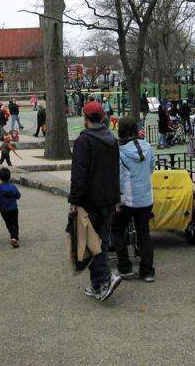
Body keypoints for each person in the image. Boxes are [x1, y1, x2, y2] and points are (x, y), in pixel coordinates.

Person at [69, 101, 122, 302]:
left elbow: (79, 174)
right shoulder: (111, 139)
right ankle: (97, 284)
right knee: (102, 240)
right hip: (109, 198)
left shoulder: (84, 141)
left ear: (85, 118)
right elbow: (115, 170)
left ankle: (105, 278)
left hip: (91, 200)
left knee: (91, 243)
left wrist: (74, 200)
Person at [112, 116, 156, 282]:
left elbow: (117, 175)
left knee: (117, 229)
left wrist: (118, 198)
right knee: (144, 233)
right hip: (145, 197)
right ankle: (147, 271)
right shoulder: (147, 146)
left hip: (127, 199)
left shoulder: (120, 151)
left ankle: (125, 267)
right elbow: (151, 167)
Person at [0, 167, 21, 247]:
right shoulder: (13, 186)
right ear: (9, 176)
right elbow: (18, 196)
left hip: (3, 209)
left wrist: (1, 200)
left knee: (8, 223)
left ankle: (13, 236)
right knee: (15, 223)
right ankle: (14, 237)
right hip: (13, 208)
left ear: (0, 177)